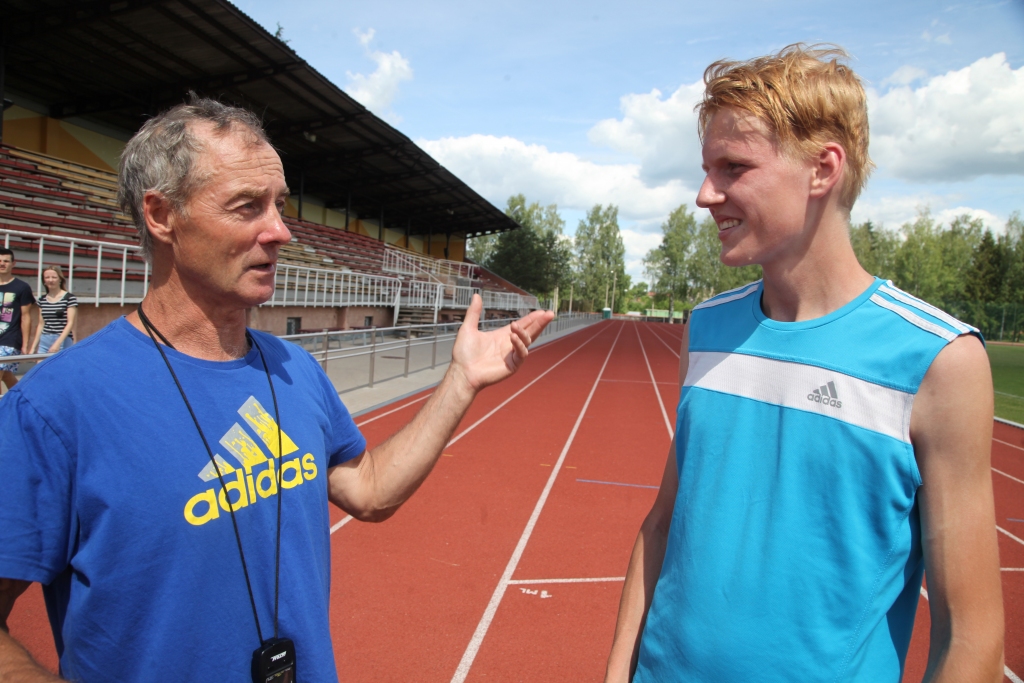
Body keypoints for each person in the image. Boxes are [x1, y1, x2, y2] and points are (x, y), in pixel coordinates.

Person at [0, 97, 553, 682]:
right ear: (162, 216)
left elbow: (369, 490)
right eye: (248, 206)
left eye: (280, 205)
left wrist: (461, 381)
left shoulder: (295, 368)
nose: (281, 232)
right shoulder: (54, 407)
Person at [605, 45, 1004, 682]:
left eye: (734, 167)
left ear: (823, 169)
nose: (705, 195)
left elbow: (970, 638)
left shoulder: (938, 359)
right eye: (707, 169)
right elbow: (662, 526)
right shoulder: (707, 328)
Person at [0, 247, 40, 392]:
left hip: (10, 338)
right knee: (6, 375)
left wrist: (25, 343)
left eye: (6, 261)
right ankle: (22, 399)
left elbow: (26, 316)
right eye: (0, 261)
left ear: (13, 264)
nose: (2, 264)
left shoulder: (21, 287)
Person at [32, 266, 78, 354]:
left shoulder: (69, 298)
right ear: (44, 281)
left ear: (60, 279)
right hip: (45, 339)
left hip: (62, 339)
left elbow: (70, 323)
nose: (50, 280)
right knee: (41, 363)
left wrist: (57, 343)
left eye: (54, 277)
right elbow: (41, 324)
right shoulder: (42, 300)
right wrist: (33, 347)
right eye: (47, 277)